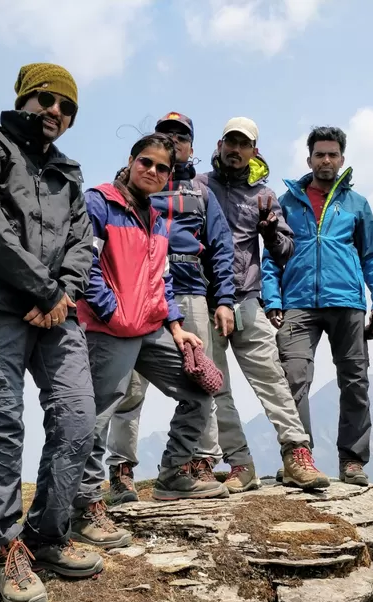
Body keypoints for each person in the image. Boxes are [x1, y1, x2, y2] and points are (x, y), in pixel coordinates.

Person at [0, 63, 104, 602]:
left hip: (56, 314)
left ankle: (47, 536)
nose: (56, 112)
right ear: (24, 98)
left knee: (80, 417)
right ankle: (4, 546)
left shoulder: (69, 176)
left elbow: (85, 242)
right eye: (47, 100)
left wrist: (60, 292)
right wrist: (41, 289)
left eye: (67, 107)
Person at [78, 133, 229, 507]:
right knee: (97, 415)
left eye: (163, 168)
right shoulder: (99, 203)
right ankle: (84, 504)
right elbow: (84, 265)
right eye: (146, 162)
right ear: (131, 162)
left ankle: (174, 474)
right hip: (107, 329)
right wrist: (112, 311)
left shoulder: (157, 219)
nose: (153, 171)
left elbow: (160, 278)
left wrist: (176, 327)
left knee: (199, 390)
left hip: (150, 329)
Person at [199, 118, 329, 491]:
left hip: (247, 298)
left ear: (254, 151)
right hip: (206, 301)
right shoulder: (199, 186)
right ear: (221, 143)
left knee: (273, 379)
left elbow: (286, 249)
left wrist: (271, 228)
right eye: (231, 142)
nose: (236, 150)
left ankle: (296, 455)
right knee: (214, 387)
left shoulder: (263, 195)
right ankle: (240, 463)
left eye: (244, 145)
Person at [262, 126, 373, 486]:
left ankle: (351, 460)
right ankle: (297, 456)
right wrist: (272, 299)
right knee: (292, 379)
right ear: (309, 159)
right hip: (297, 303)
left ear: (342, 160)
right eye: (320, 154)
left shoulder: (357, 204)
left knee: (355, 382)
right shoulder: (287, 202)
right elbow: (272, 256)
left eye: (332, 154)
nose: (326, 160)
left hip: (348, 301)